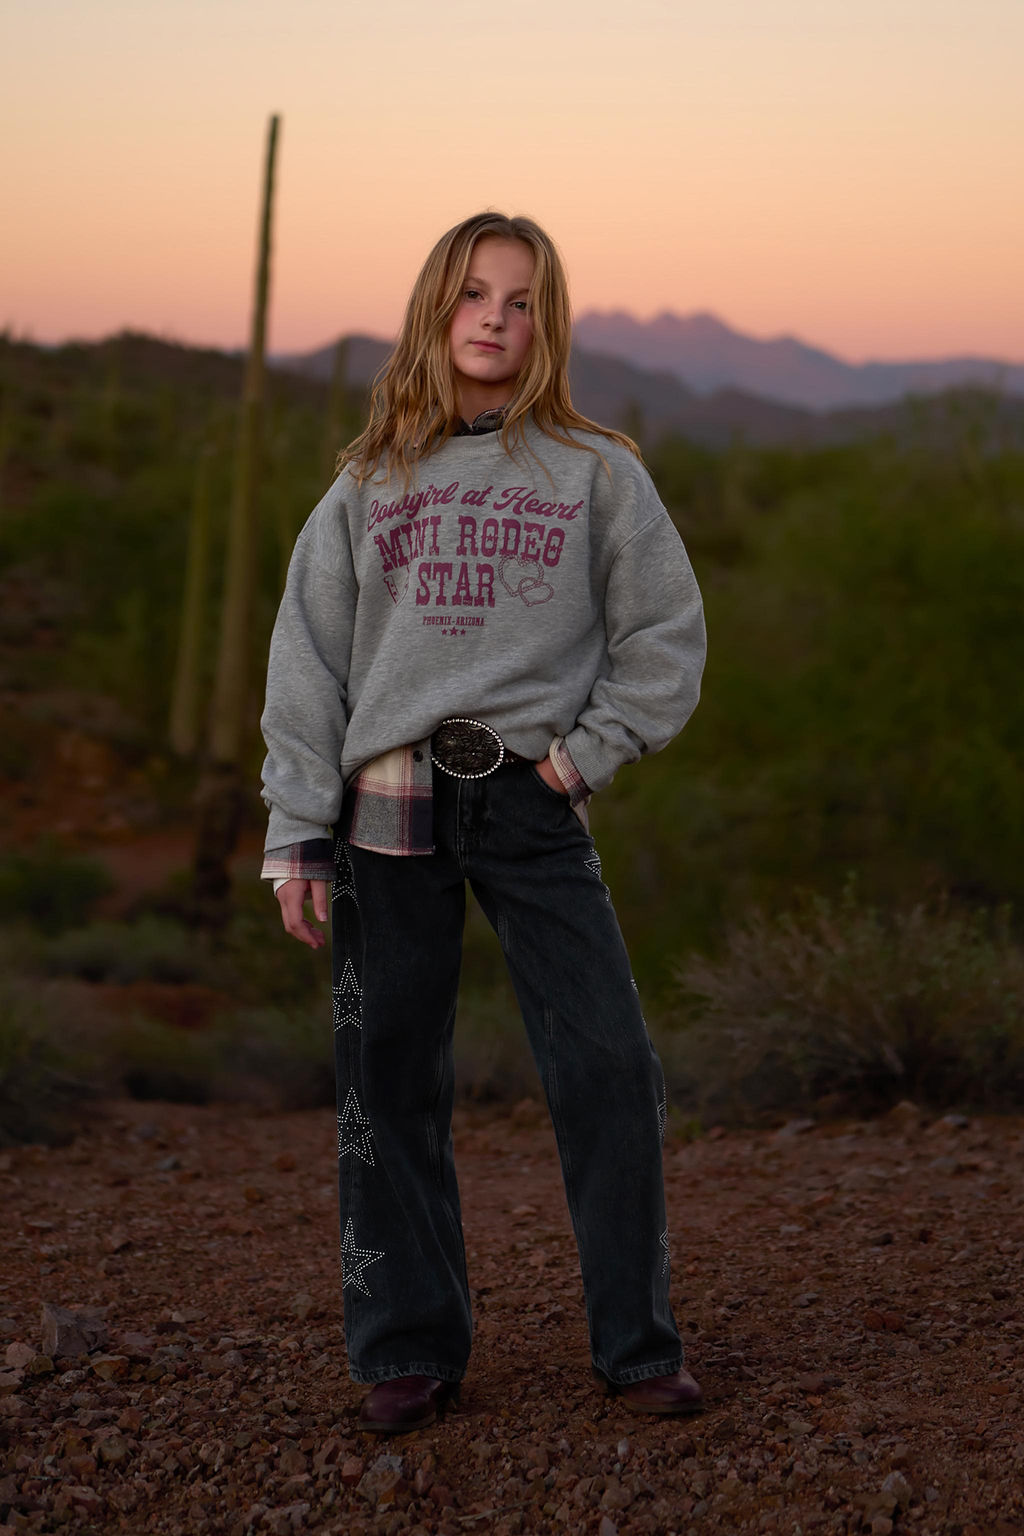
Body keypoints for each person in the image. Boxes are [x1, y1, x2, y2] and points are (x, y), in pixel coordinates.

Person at [259, 212, 707, 1434]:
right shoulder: (368, 482)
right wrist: (296, 829)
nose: (494, 319)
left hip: (530, 795)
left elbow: (666, 636)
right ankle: (407, 1347)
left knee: (608, 1065)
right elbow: (307, 665)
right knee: (388, 1081)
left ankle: (636, 1344)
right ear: (435, 311)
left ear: (545, 321)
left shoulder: (596, 470)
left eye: (519, 299)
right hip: (384, 802)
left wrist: (584, 759)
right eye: (472, 296)